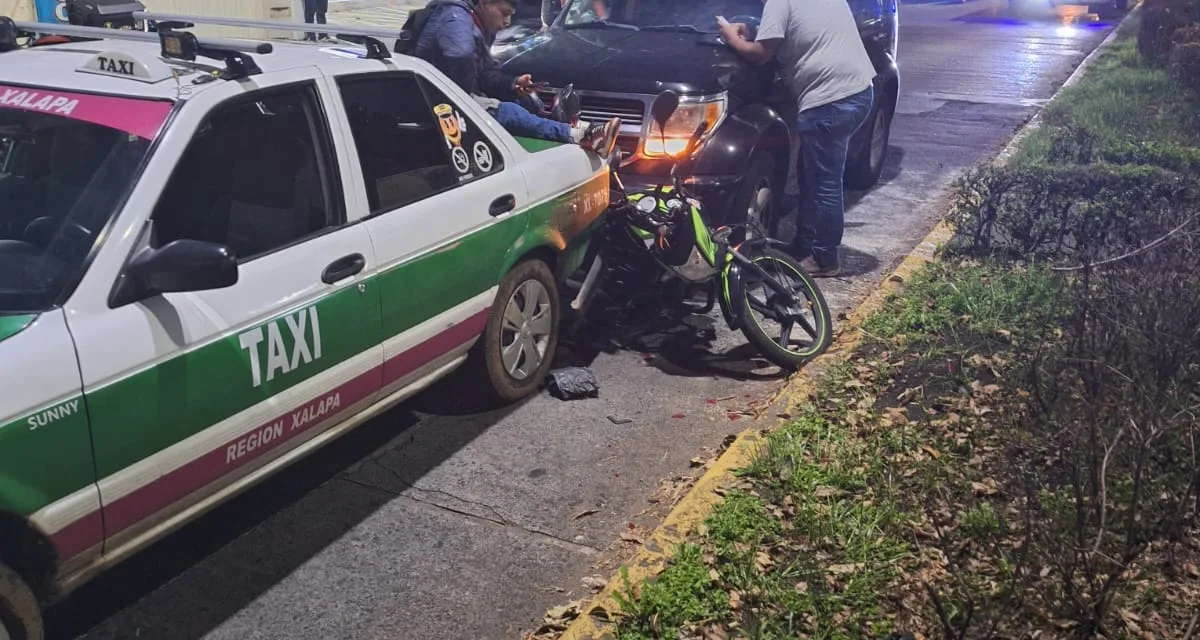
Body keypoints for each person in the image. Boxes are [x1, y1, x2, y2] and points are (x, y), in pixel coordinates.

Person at [719, 0, 876, 278]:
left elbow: (761, 54)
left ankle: (826, 258)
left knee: (825, 183)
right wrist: (756, 29)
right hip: (859, 90)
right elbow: (804, 29)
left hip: (831, 100)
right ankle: (804, 246)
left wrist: (732, 38)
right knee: (810, 173)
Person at [414, 0, 620, 153]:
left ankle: (570, 130)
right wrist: (467, 99)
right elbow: (460, 54)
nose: (507, 22)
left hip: (451, 94)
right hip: (434, 100)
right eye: (504, 13)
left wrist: (512, 84)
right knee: (510, 112)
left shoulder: (478, 24)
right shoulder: (455, 16)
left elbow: (484, 74)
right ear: (485, 3)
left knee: (524, 100)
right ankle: (581, 135)